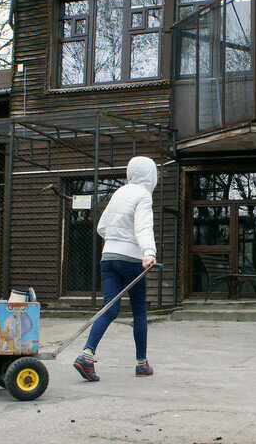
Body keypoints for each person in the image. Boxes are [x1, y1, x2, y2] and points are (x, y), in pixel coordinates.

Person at [74, 156, 158, 381]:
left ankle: (87, 355)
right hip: (131, 259)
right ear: (151, 176)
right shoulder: (143, 196)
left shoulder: (119, 193)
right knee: (139, 310)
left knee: (110, 309)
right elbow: (143, 227)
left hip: (108, 257)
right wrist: (148, 252)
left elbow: (102, 226)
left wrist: (115, 240)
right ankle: (141, 364)